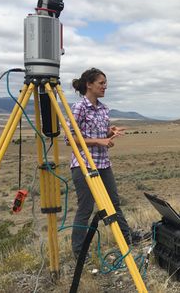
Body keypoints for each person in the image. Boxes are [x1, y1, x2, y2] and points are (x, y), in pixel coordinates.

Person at [66, 68, 132, 259]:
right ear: (89, 84)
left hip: (103, 164)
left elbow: (101, 136)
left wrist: (110, 134)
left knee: (113, 204)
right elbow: (70, 139)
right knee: (85, 208)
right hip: (84, 164)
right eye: (101, 83)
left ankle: (126, 240)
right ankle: (79, 252)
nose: (105, 86)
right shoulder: (79, 107)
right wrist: (98, 141)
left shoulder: (104, 109)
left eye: (105, 83)